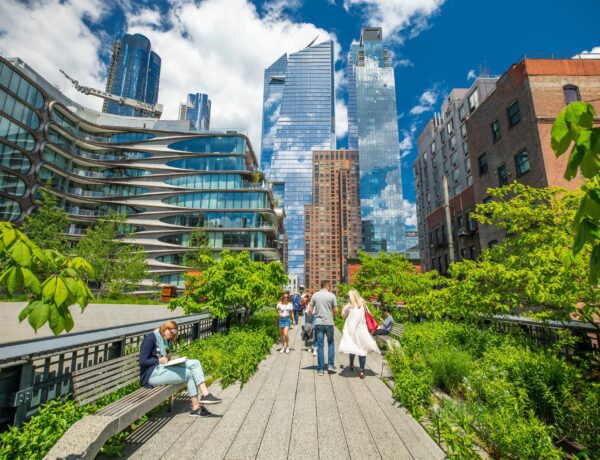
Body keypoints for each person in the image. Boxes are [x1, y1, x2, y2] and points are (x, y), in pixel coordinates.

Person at [139, 320, 222, 417]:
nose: (171, 337)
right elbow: (142, 361)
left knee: (195, 363)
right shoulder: (151, 338)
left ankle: (205, 394)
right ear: (166, 328)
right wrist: (159, 361)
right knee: (188, 373)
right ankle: (196, 407)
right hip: (151, 375)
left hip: (161, 369)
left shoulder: (162, 339)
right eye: (171, 333)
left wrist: (168, 358)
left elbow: (160, 357)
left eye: (174, 335)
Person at [339, 290, 380, 379]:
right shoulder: (363, 304)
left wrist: (342, 309)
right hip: (362, 330)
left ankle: (351, 364)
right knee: (362, 350)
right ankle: (361, 371)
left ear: (352, 297)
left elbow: (343, 316)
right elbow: (369, 314)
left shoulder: (349, 306)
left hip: (351, 330)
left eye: (348, 296)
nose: (348, 298)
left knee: (352, 347)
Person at [308, 280, 338, 376]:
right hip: (329, 323)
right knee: (331, 343)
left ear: (321, 286)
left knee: (320, 345)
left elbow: (310, 310)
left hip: (318, 323)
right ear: (328, 286)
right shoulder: (332, 296)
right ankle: (330, 365)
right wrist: (334, 317)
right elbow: (336, 309)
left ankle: (320, 369)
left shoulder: (315, 295)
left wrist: (309, 321)